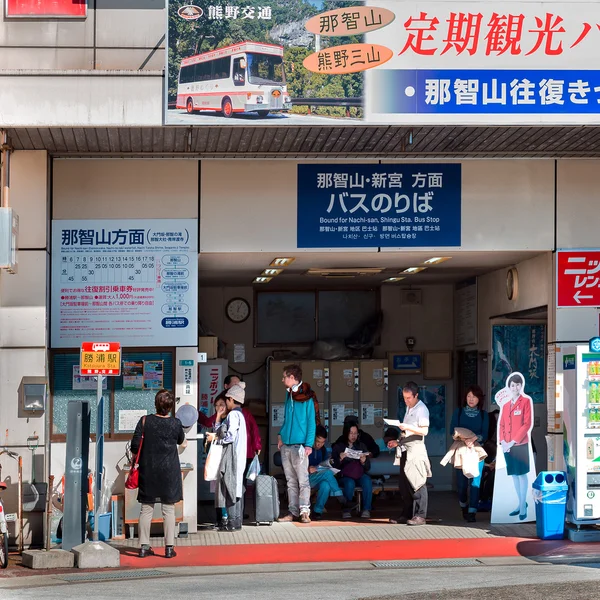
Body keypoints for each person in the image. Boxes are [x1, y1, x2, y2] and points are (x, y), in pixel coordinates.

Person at [131, 389, 186, 558]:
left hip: (149, 470)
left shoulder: (145, 421)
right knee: (168, 510)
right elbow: (182, 442)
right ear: (170, 407)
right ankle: (169, 548)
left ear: (156, 404)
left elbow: (134, 447)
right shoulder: (176, 423)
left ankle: (143, 547)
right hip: (169, 472)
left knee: (146, 509)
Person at [387, 381, 431, 526]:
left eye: (409, 398)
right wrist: (397, 442)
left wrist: (408, 426)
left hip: (416, 449)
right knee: (404, 484)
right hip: (406, 447)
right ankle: (406, 514)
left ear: (416, 395)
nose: (406, 401)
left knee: (417, 481)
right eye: (404, 397)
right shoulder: (408, 408)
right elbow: (407, 432)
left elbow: (424, 431)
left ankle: (420, 515)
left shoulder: (421, 409)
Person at [277, 364, 316, 524]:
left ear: (292, 377)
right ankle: (293, 511)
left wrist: (308, 444)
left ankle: (304, 511)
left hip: (300, 445)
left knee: (302, 480)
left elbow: (311, 422)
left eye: (285, 376)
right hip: (286, 444)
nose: (282, 379)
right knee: (291, 481)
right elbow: (287, 418)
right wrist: (280, 435)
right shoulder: (289, 395)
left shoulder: (307, 396)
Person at [207, 382, 248, 532]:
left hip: (233, 457)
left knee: (230, 488)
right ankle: (236, 522)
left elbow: (229, 436)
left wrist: (216, 439)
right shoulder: (241, 415)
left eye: (227, 400)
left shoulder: (233, 415)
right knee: (235, 489)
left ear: (231, 399)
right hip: (239, 456)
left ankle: (231, 523)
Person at [449, 385, 489, 523]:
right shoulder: (458, 412)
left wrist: (474, 439)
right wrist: (465, 439)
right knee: (461, 484)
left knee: (475, 483)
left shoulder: (484, 415)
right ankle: (463, 506)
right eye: (469, 396)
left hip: (477, 450)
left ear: (479, 399)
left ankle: (472, 512)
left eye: (474, 397)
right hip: (461, 450)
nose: (471, 399)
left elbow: (485, 434)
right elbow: (451, 431)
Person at [498, 373, 533, 521]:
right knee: (513, 474)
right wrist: (502, 442)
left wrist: (513, 441)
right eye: (513, 385)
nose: (515, 387)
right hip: (507, 446)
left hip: (520, 444)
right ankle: (520, 503)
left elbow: (527, 424)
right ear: (509, 387)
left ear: (521, 386)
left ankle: (523, 505)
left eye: (517, 385)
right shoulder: (506, 406)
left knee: (521, 474)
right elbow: (502, 424)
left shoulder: (525, 402)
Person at [332, 422, 373, 519]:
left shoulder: (361, 446)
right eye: (351, 433)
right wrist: (340, 459)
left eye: (355, 433)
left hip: (359, 473)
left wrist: (364, 461)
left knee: (367, 480)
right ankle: (346, 509)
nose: (353, 436)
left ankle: (366, 509)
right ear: (346, 433)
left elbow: (367, 467)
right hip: (345, 475)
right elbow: (333, 466)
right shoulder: (339, 446)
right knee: (349, 483)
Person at [308, 425, 346, 520]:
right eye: (317, 441)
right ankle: (341, 498)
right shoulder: (306, 448)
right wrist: (307, 468)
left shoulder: (324, 449)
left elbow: (326, 463)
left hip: (318, 477)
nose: (319, 445)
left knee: (326, 485)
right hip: (306, 477)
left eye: (322, 442)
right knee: (327, 474)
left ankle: (317, 511)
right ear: (313, 438)